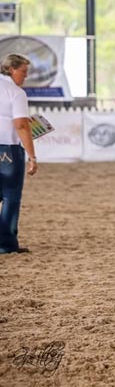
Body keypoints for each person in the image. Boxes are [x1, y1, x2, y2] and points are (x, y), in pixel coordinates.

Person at [0, 54, 37, 255]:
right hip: (7, 149)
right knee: (10, 196)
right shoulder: (15, 92)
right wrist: (32, 156)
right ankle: (5, 243)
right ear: (11, 69)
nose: (25, 76)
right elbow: (21, 125)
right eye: (23, 72)